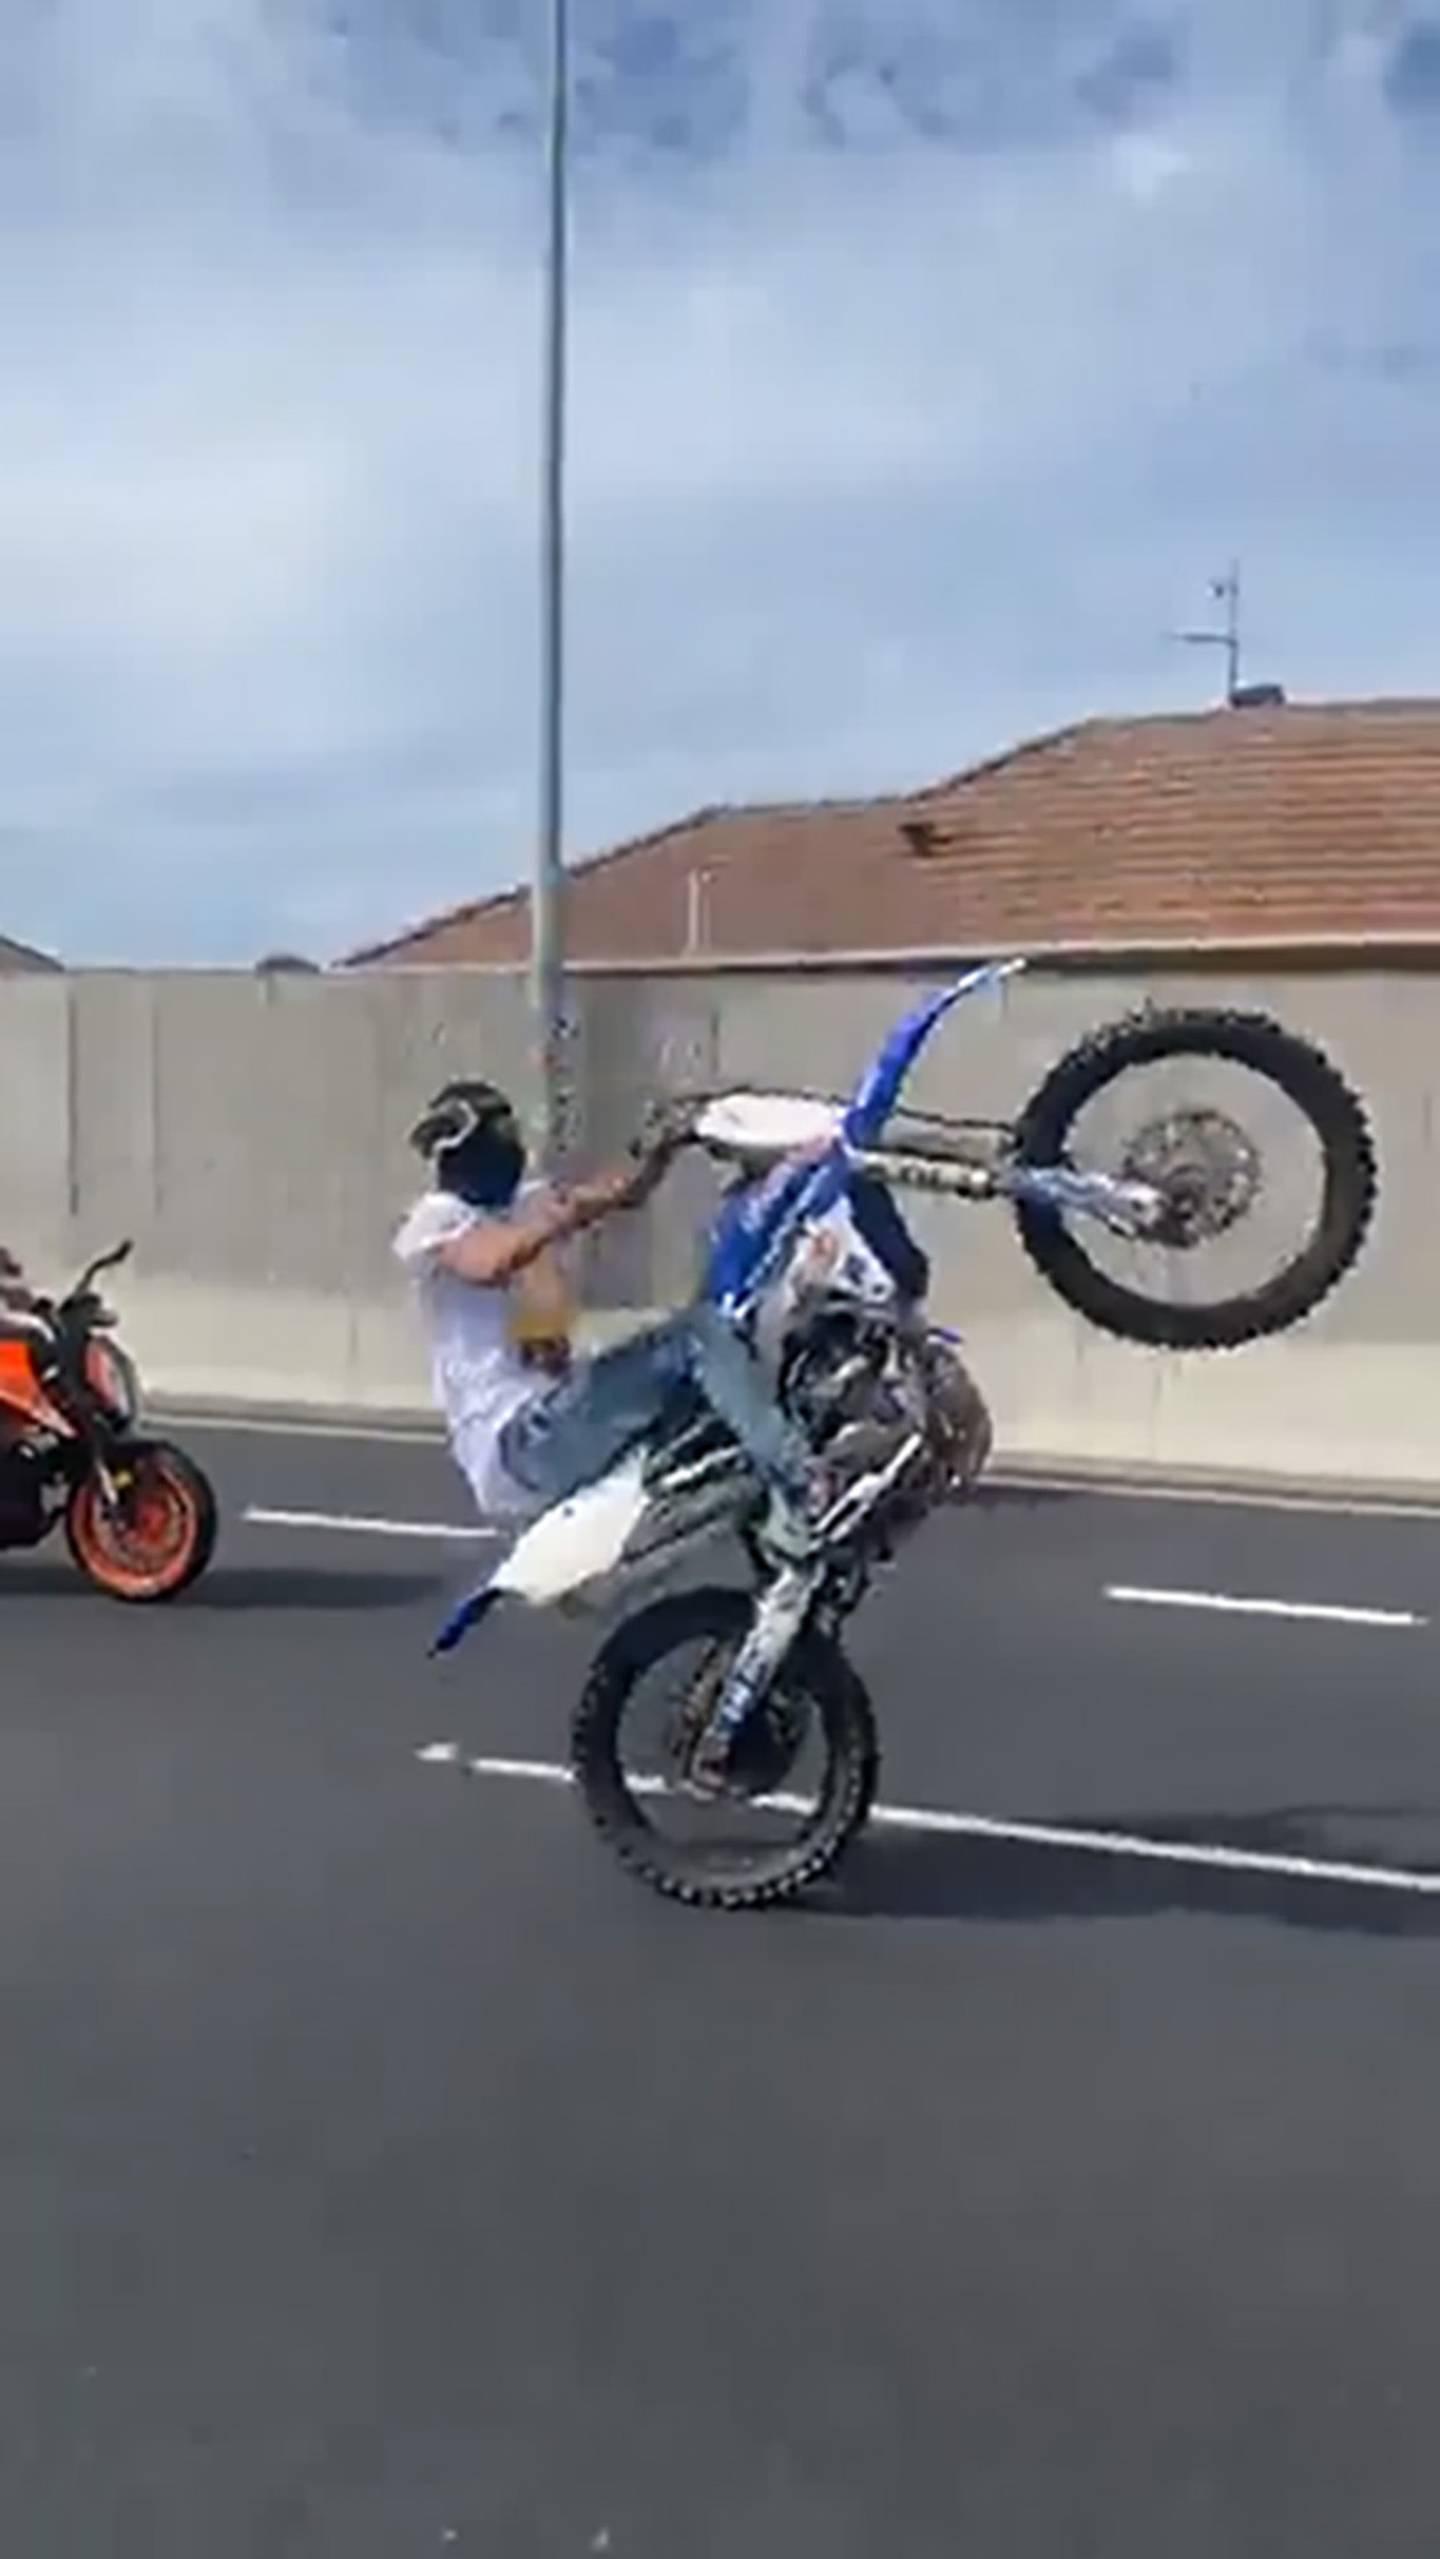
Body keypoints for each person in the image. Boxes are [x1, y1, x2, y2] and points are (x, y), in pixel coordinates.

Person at [394, 1079, 838, 1552]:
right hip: (517, 1440)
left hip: (554, 1417)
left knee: (717, 1369)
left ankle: (775, 1518)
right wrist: (569, 1214)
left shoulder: (526, 1204)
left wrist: (664, 1147)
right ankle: (806, 1484)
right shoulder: (436, 1218)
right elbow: (488, 1262)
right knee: (696, 1338)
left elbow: (622, 1191)